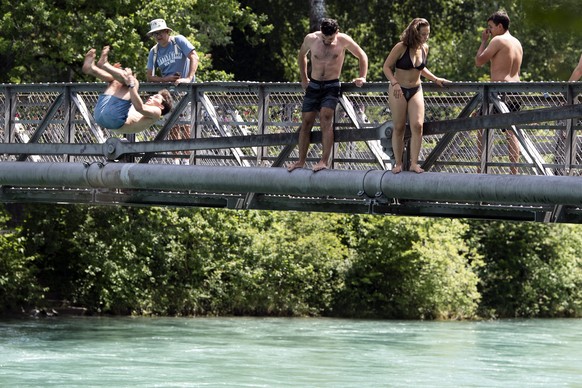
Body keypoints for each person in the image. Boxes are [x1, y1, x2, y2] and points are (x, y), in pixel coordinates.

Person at [287, 18, 368, 172]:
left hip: (332, 84)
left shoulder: (344, 40)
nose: (327, 41)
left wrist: (362, 76)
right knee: (306, 121)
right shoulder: (311, 39)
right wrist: (304, 78)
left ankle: (324, 161)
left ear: (336, 33)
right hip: (314, 84)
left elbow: (362, 55)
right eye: (324, 38)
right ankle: (300, 161)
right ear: (321, 33)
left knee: (326, 118)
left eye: (330, 39)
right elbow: (301, 56)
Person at [382, 18, 448, 174]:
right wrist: (394, 83)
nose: (426, 37)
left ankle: (414, 163)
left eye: (428, 34)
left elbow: (420, 69)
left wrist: (435, 79)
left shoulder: (424, 47)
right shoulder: (401, 47)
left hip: (416, 89)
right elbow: (386, 67)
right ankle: (398, 163)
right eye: (423, 34)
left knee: (418, 126)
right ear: (414, 33)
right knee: (399, 127)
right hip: (398, 89)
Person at [82, 46, 173, 134]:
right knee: (116, 81)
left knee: (134, 82)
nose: (152, 97)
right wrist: (119, 75)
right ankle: (91, 69)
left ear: (161, 106)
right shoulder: (144, 111)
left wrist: (131, 82)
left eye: (156, 97)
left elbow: (139, 108)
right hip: (101, 117)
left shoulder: (157, 112)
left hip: (114, 120)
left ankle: (104, 65)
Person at [475, 11, 523, 174]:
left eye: (491, 27)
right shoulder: (517, 42)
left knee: (480, 125)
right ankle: (514, 171)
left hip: (498, 91)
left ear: (500, 26)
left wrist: (483, 41)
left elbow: (479, 61)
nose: (489, 31)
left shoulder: (498, 40)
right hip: (516, 90)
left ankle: (481, 168)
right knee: (511, 131)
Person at [146, 19, 199, 84]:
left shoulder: (178, 41)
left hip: (188, 88)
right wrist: (165, 79)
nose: (158, 36)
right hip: (168, 91)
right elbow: (149, 76)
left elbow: (194, 57)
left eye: (160, 32)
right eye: (155, 34)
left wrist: (188, 78)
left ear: (167, 31)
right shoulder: (154, 51)